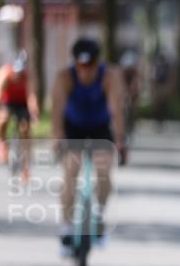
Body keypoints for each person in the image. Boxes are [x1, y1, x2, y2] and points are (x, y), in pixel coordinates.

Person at [51, 37, 126, 251]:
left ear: (97, 63)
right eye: (81, 65)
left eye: (90, 65)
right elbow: (57, 112)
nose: (85, 71)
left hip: (99, 128)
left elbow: (116, 109)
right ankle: (66, 227)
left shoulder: (109, 76)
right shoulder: (64, 77)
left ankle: (99, 215)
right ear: (75, 63)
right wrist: (57, 138)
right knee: (70, 172)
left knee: (104, 171)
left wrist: (120, 139)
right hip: (73, 127)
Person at [0, 51, 39, 170]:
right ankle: (2, 143)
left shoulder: (28, 77)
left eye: (20, 72)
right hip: (7, 102)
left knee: (25, 128)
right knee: (3, 119)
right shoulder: (4, 75)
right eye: (16, 72)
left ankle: (26, 159)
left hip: (22, 103)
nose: (18, 75)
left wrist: (34, 113)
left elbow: (31, 97)